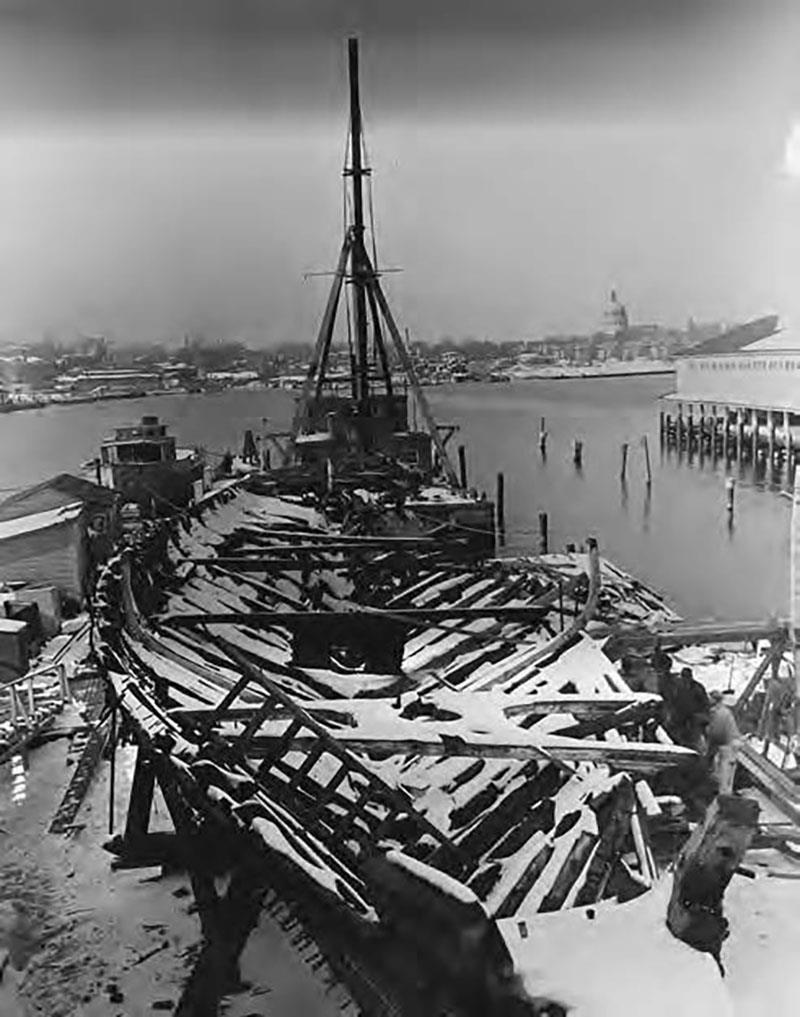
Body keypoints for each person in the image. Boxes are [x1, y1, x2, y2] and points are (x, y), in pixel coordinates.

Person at [706, 690, 741, 793]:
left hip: (726, 746)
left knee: (723, 775)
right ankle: (726, 793)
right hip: (733, 744)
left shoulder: (716, 713)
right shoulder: (726, 712)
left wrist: (710, 751)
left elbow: (716, 734)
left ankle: (722, 796)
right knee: (729, 775)